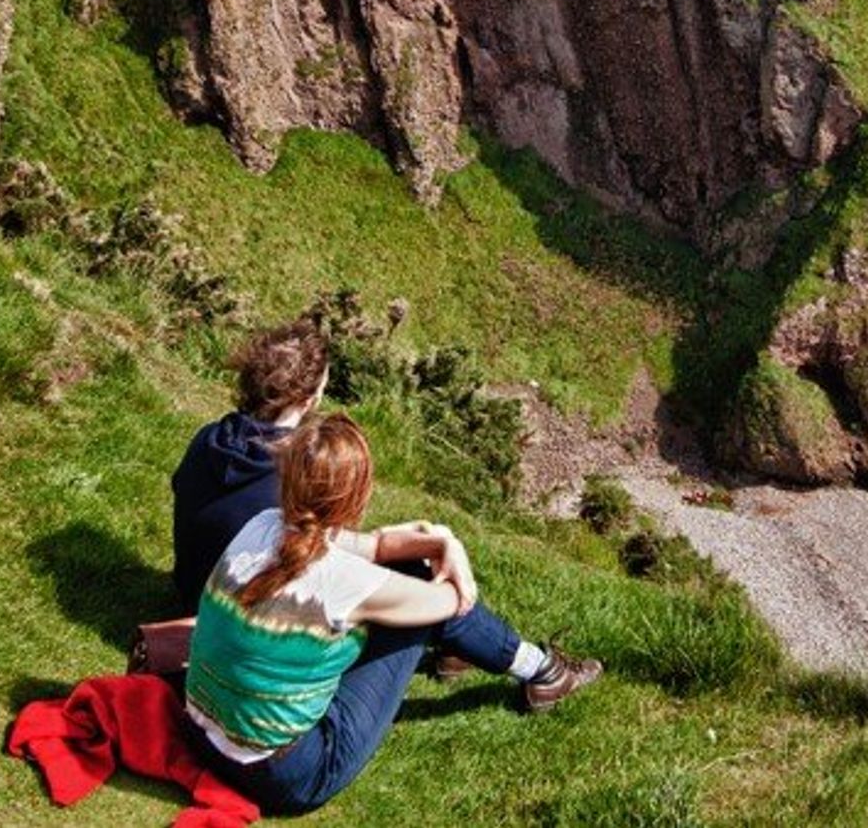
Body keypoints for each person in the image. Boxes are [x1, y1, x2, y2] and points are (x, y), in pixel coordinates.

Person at [183, 412, 600, 813]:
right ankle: (542, 671)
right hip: (288, 776)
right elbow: (453, 604)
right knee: (424, 589)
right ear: (357, 498)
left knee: (410, 572)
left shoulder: (261, 525)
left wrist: (443, 543)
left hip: (202, 738)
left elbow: (376, 546)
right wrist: (451, 552)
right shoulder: (344, 582)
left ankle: (483, 658)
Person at [170, 316, 330, 613]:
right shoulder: (302, 472)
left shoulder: (208, 438)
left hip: (191, 596)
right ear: (309, 400)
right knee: (414, 574)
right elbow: (321, 553)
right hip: (242, 619)